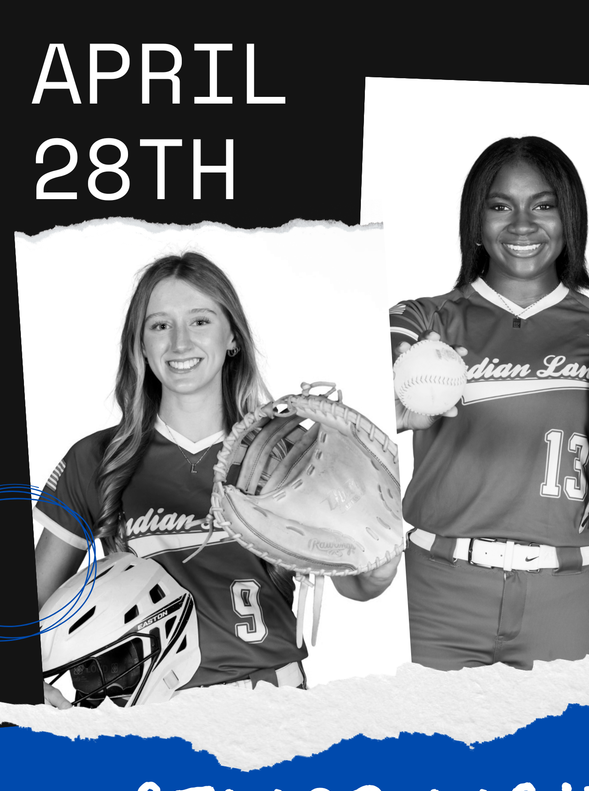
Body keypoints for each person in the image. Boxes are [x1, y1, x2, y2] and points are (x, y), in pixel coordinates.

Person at [37, 252, 399, 707]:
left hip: (274, 708)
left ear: (232, 338)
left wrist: (381, 557)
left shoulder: (289, 452)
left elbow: (357, 584)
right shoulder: (98, 459)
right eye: (160, 325)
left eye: (200, 321)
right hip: (145, 721)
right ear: (141, 345)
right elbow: (34, 607)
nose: (179, 343)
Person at [391, 137, 589, 671]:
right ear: (474, 222)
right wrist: (393, 413)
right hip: (436, 591)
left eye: (544, 205)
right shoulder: (421, 323)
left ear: (570, 219)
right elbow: (357, 429)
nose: (522, 225)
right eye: (500, 206)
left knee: (566, 758)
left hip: (571, 600)